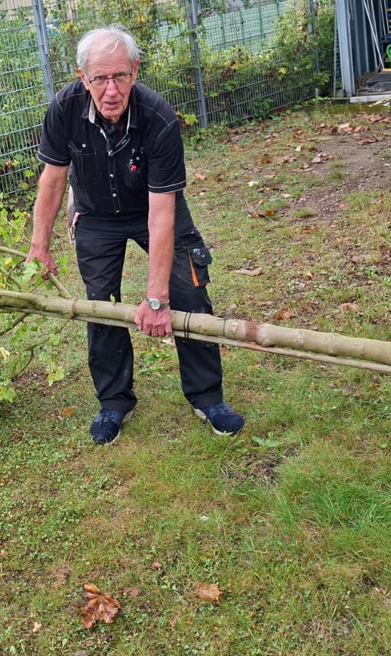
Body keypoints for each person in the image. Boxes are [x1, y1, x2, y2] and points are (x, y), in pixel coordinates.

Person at [28, 24, 245, 444]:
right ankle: (114, 402)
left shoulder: (158, 117)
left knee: (190, 294)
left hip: (153, 205)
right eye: (100, 79)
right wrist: (40, 246)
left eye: (121, 76)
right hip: (95, 214)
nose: (111, 89)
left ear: (135, 70)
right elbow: (53, 181)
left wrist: (156, 298)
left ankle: (207, 397)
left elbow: (162, 214)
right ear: (82, 77)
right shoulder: (63, 110)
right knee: (100, 305)